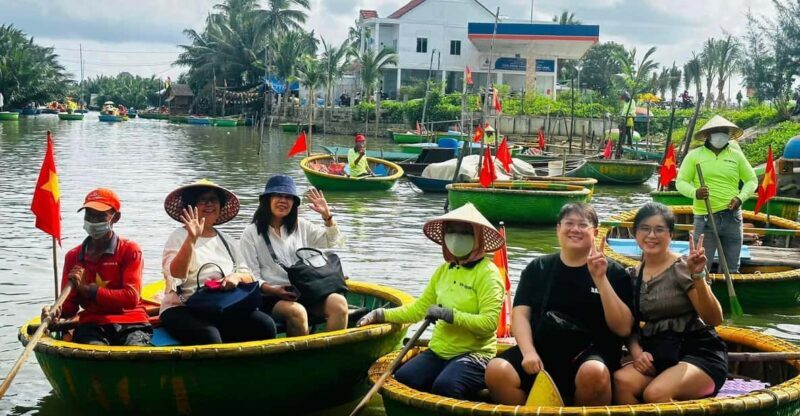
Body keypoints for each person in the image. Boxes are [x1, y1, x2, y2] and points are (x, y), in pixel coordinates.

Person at [485, 202, 633, 406]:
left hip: (591, 354)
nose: (575, 229)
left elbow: (624, 328)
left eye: (583, 225)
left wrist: (600, 279)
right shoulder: (538, 268)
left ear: (596, 232)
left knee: (594, 372)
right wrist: (528, 352)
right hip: (541, 351)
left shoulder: (614, 272)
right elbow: (520, 315)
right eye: (569, 223)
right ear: (558, 228)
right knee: (497, 371)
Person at [357, 203, 505, 400]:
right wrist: (380, 314)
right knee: (405, 378)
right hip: (439, 351)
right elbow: (419, 310)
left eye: (465, 232)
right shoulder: (443, 271)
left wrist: (449, 315)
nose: (456, 237)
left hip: (475, 354)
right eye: (451, 231)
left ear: (477, 238)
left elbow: (489, 324)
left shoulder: (488, 275)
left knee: (446, 385)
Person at [613, 203, 726, 404]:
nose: (651, 235)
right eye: (645, 229)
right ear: (635, 233)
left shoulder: (682, 267)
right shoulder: (632, 276)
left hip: (699, 353)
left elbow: (714, 318)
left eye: (659, 229)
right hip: (662, 354)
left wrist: (698, 275)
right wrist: (637, 353)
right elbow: (629, 327)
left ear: (670, 235)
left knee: (655, 394)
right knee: (622, 381)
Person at [159, 180, 277, 345]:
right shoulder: (178, 237)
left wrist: (235, 278)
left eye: (213, 200)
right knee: (210, 336)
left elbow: (248, 275)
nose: (209, 204)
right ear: (191, 207)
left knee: (265, 324)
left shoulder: (226, 240)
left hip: (220, 303)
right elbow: (176, 275)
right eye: (202, 200)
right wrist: (191, 239)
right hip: (184, 306)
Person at [240, 175, 348, 337]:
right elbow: (250, 275)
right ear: (267, 200)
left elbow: (332, 241)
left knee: (339, 304)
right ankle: (301, 358)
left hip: (306, 290)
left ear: (294, 203)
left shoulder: (301, 225)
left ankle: (325, 355)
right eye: (278, 195)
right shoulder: (251, 233)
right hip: (271, 296)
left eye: (288, 197)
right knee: (297, 312)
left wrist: (327, 216)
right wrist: (274, 289)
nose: (283, 201)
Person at [41, 188, 152, 346]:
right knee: (94, 349)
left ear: (115, 218)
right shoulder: (74, 256)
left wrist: (87, 290)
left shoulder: (129, 250)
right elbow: (69, 306)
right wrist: (54, 312)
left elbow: (131, 297)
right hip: (93, 324)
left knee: (135, 350)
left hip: (132, 322)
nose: (93, 221)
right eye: (89, 215)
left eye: (100, 216)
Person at [676, 115, 757, 273]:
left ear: (729, 135)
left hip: (732, 218)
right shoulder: (694, 156)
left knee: (732, 267)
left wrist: (740, 198)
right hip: (705, 218)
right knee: (700, 268)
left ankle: (726, 295)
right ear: (708, 134)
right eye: (716, 131)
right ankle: (702, 295)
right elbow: (681, 182)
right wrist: (695, 192)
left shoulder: (736, 156)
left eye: (724, 132)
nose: (720, 135)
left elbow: (752, 180)